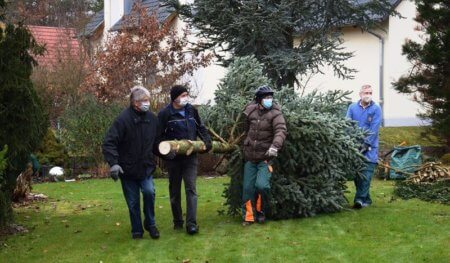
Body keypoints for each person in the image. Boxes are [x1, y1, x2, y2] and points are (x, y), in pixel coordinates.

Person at [102, 86, 160, 239]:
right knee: (133, 202)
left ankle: (150, 223)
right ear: (135, 103)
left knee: (149, 193)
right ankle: (137, 231)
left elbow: (156, 143)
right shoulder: (123, 120)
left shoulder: (152, 119)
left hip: (146, 167)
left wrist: (167, 152)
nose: (147, 103)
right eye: (144, 101)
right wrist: (114, 163)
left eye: (148, 100)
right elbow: (109, 143)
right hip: (127, 169)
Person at [157, 85, 212, 235]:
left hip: (190, 157)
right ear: (174, 98)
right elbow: (157, 138)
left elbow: (200, 127)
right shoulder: (164, 114)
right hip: (173, 159)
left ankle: (191, 224)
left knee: (191, 189)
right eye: (183, 95)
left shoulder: (192, 110)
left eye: (187, 95)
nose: (186, 97)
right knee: (174, 191)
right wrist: (166, 155)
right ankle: (177, 221)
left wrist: (207, 141)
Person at [242, 85, 287, 225]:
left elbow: (281, 130)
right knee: (247, 189)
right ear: (259, 99)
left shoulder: (276, 113)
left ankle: (261, 211)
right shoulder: (251, 111)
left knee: (262, 186)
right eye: (266, 97)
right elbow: (245, 129)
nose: (269, 100)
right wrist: (246, 142)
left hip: (265, 158)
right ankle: (248, 217)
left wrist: (275, 146)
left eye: (270, 97)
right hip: (250, 157)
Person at [346, 84, 382, 209]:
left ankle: (359, 200)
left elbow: (374, 128)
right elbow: (347, 124)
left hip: (370, 148)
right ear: (360, 94)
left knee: (366, 174)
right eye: (366, 93)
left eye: (370, 93)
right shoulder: (352, 107)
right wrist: (351, 142)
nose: (368, 95)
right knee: (358, 175)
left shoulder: (376, 109)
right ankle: (367, 199)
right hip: (355, 146)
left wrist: (367, 143)